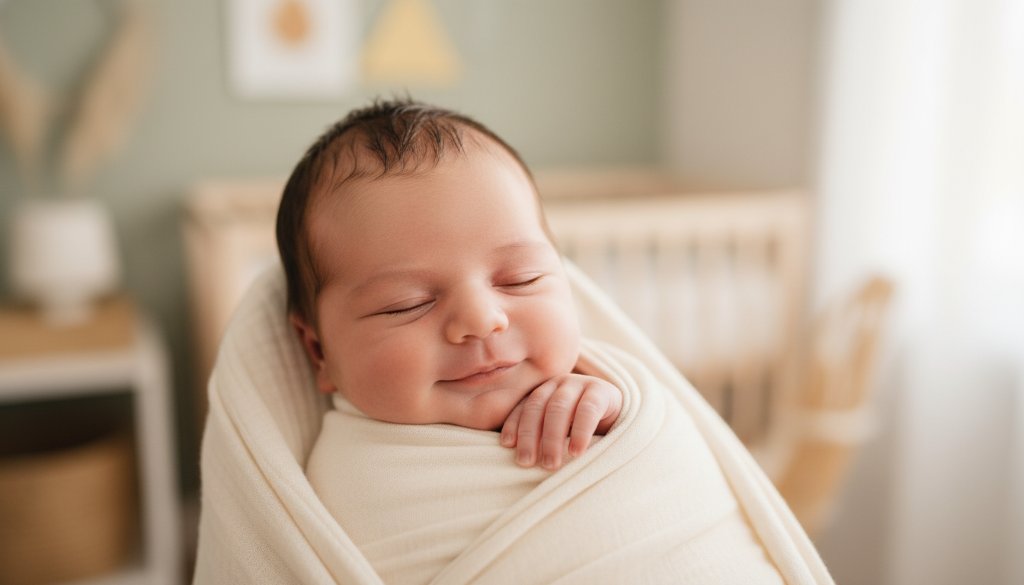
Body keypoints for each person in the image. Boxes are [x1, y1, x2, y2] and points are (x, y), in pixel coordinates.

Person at [276, 98, 622, 472]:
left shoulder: (600, 394)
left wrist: (615, 417)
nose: (481, 320)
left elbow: (669, 464)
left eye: (521, 279)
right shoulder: (341, 471)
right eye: (407, 303)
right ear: (318, 352)